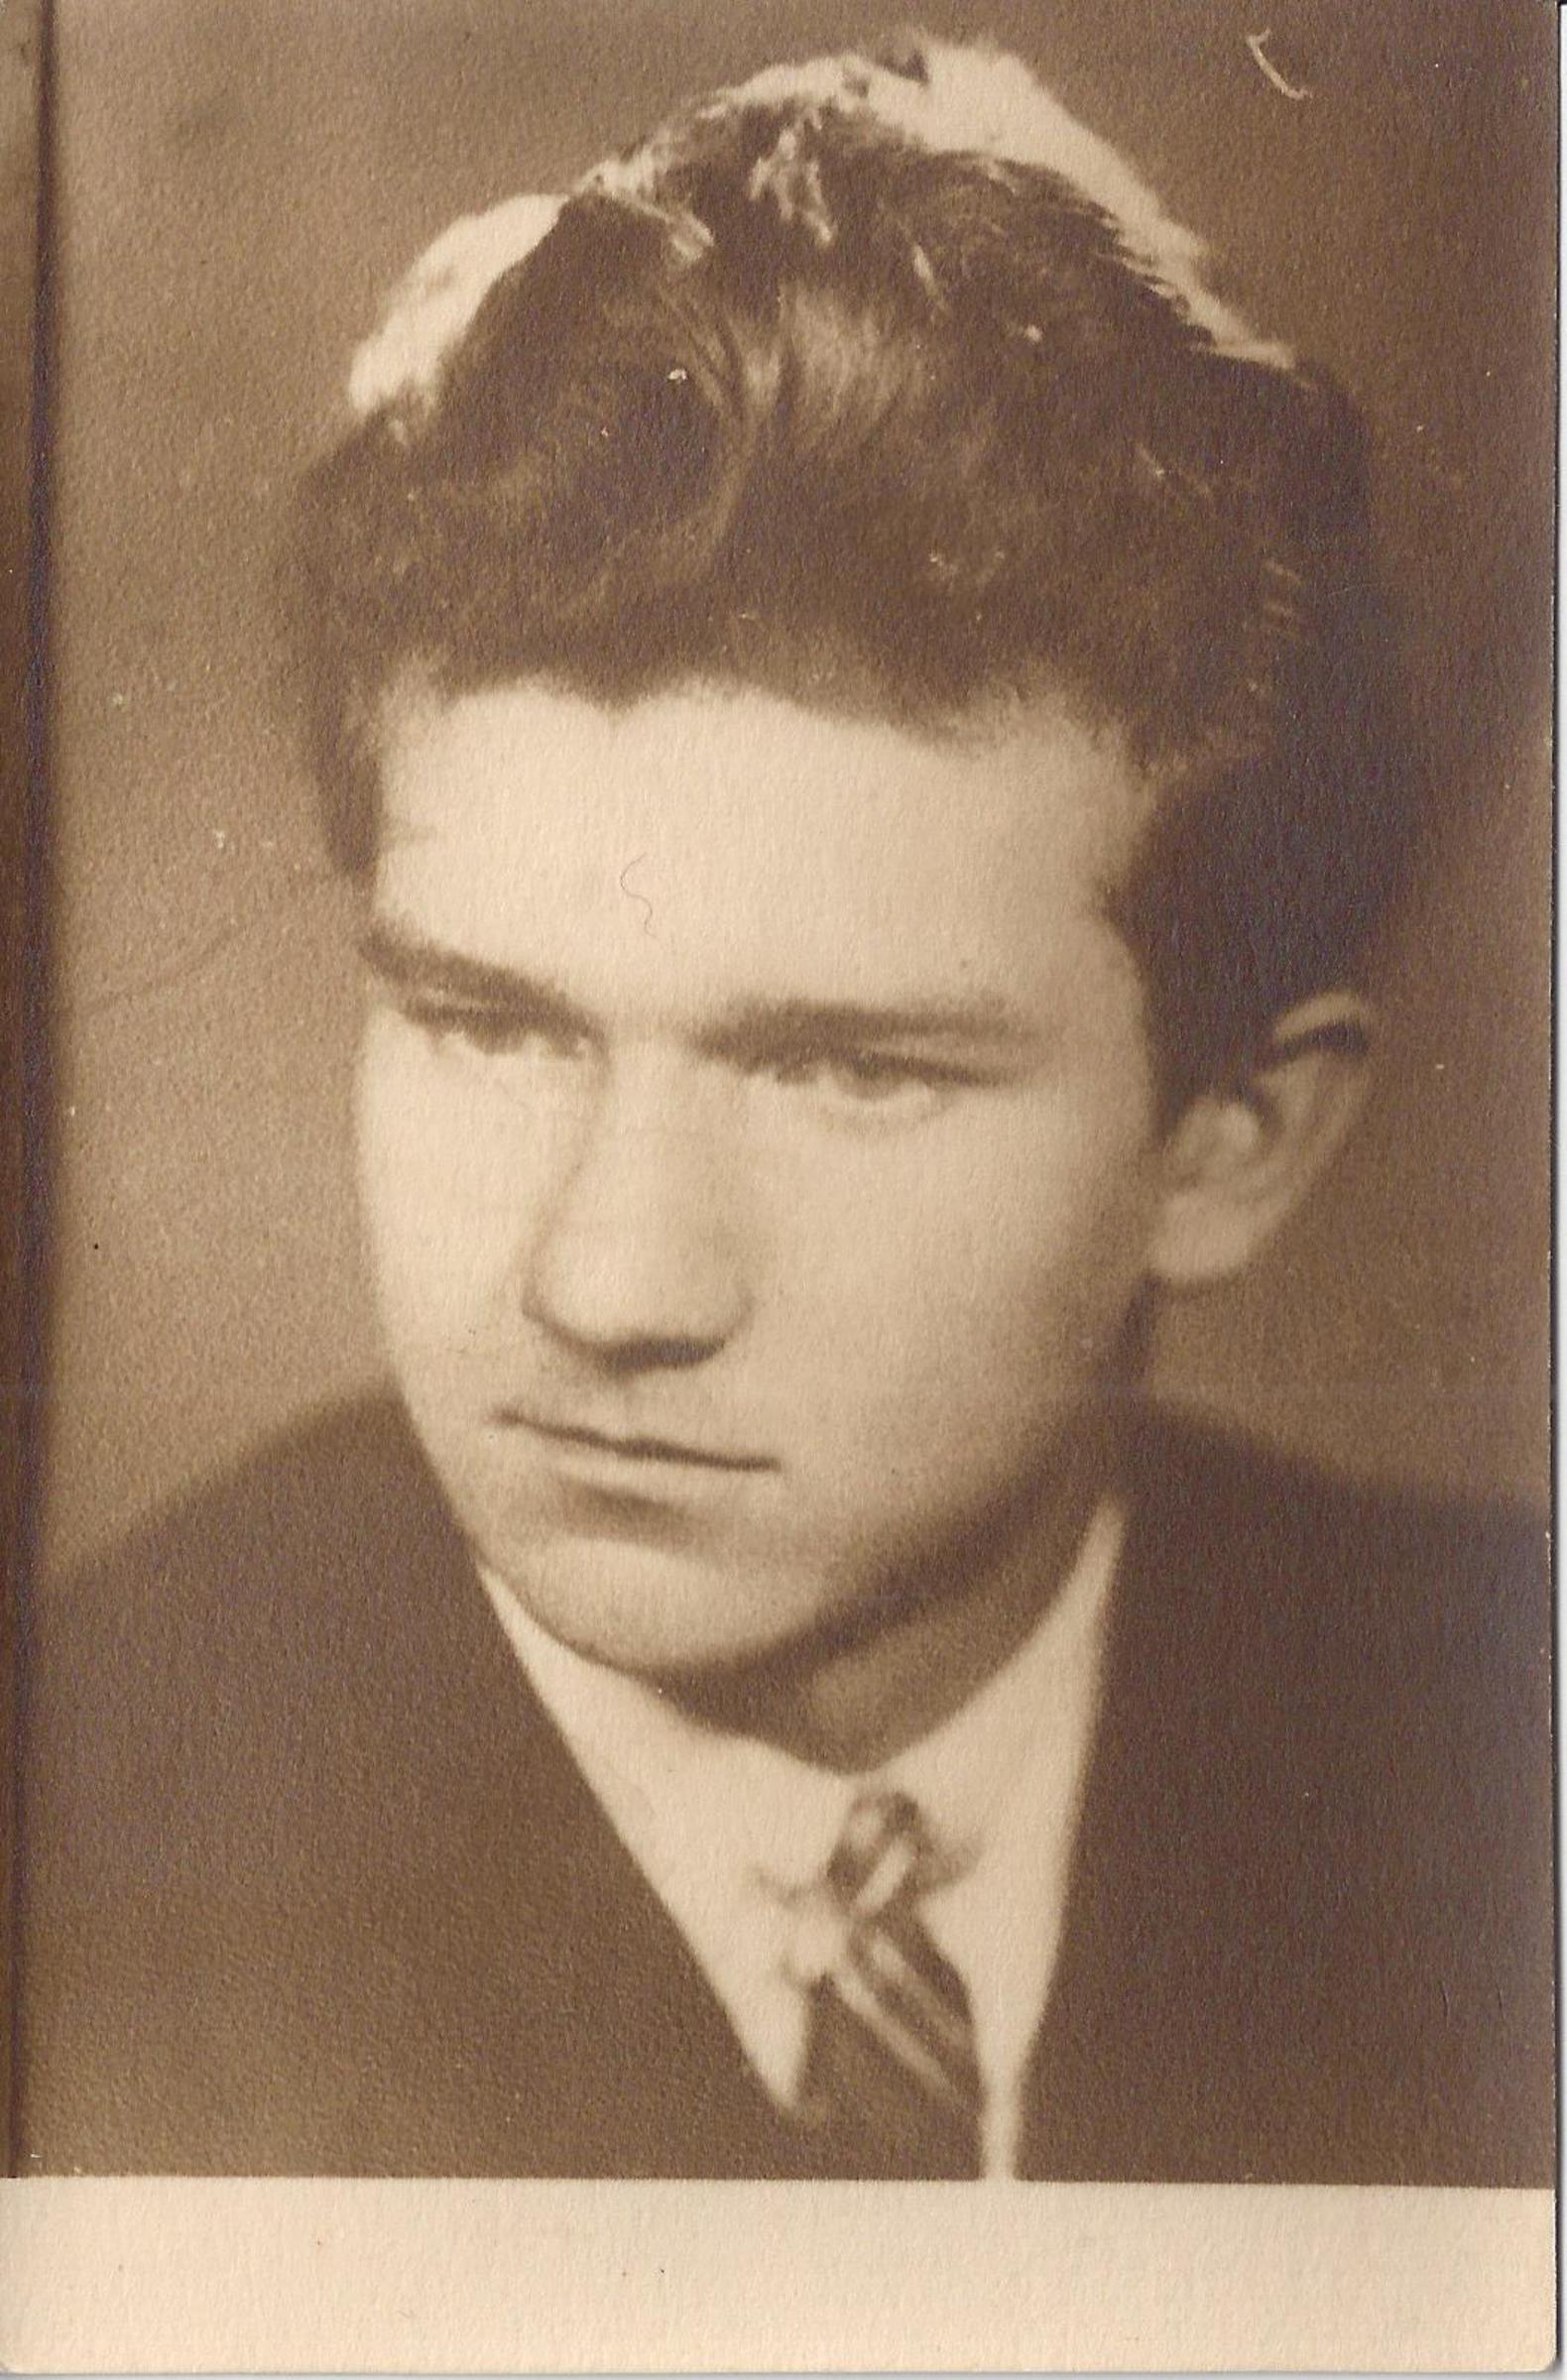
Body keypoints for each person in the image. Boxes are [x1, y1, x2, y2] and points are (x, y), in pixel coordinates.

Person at [15, 35, 1550, 2181]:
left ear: (1234, 1140)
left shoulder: (1496, 1747)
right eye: (492, 1026)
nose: (609, 1285)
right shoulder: (74, 1833)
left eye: (849, 1071)